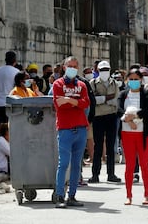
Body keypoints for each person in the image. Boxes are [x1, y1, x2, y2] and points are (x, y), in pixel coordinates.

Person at [52, 56, 90, 208]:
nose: (73, 68)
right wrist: (76, 102)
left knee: (76, 165)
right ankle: (59, 196)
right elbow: (59, 105)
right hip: (65, 129)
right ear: (64, 67)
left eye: (75, 65)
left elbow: (86, 103)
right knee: (64, 163)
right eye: (70, 66)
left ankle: (72, 196)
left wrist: (68, 100)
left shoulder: (82, 84)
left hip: (80, 128)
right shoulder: (57, 84)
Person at [118, 68, 148, 205]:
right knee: (130, 165)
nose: (133, 82)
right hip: (127, 133)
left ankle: (146, 194)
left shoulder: (146, 94)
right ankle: (129, 195)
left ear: (141, 80)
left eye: (136, 79)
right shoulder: (123, 94)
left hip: (143, 134)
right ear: (127, 80)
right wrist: (128, 120)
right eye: (130, 79)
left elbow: (147, 110)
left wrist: (135, 116)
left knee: (144, 163)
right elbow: (119, 109)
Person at [88, 61, 121, 183]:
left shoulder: (114, 83)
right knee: (98, 146)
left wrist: (101, 99)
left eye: (106, 69)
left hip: (111, 116)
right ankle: (95, 174)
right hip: (98, 117)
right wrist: (106, 98)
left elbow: (116, 100)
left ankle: (111, 174)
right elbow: (92, 101)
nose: (104, 72)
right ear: (98, 71)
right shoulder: (93, 83)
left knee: (111, 146)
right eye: (102, 70)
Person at [0, 51, 19, 124]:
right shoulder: (16, 72)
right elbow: (18, 88)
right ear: (15, 60)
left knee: (0, 127)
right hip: (11, 104)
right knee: (10, 127)